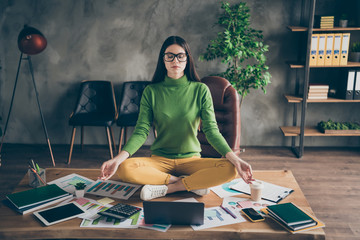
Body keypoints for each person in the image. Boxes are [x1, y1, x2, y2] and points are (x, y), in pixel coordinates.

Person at [99, 36, 253, 201]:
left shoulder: (200, 90)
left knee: (230, 169)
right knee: (124, 168)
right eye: (169, 56)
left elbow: (211, 131)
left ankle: (169, 189)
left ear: (187, 59)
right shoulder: (151, 91)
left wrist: (236, 160)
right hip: (160, 160)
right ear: (163, 59)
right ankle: (190, 184)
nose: (175, 60)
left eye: (181, 55)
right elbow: (141, 131)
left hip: (192, 160)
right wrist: (117, 158)